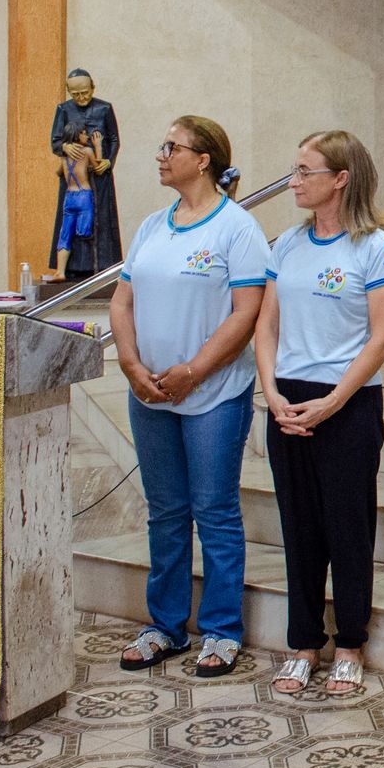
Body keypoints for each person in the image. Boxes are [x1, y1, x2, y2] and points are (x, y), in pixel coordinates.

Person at [111, 116, 267, 679]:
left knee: (215, 511)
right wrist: (130, 364)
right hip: (150, 391)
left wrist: (194, 371)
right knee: (166, 512)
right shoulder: (153, 225)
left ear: (203, 160)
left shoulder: (237, 228)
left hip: (215, 393)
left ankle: (222, 630)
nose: (161, 155)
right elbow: (121, 301)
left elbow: (246, 314)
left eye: (171, 147)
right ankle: (166, 626)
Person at [256, 130, 384, 699]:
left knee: (348, 527)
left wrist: (334, 401)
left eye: (304, 171)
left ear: (340, 179)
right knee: (299, 528)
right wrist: (271, 392)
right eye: (294, 170)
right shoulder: (288, 244)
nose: (293, 181)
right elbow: (266, 325)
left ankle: (349, 645)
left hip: (347, 401)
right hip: (289, 398)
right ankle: (303, 643)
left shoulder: (375, 248)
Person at [47, 68, 122, 280]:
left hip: (100, 176)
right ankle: (72, 267)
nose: (81, 98)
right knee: (71, 224)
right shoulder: (63, 109)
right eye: (76, 94)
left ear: (92, 88)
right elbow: (55, 141)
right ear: (69, 92)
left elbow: (114, 139)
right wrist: (65, 147)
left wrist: (108, 161)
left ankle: (104, 265)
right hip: (74, 181)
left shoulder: (104, 109)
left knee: (101, 220)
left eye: (85, 93)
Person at [47, 120, 102, 284]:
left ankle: (60, 271)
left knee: (65, 235)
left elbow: (58, 172)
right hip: (84, 196)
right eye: (84, 133)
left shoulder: (64, 156)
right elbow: (98, 167)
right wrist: (98, 146)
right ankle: (90, 267)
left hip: (69, 196)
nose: (87, 136)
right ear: (78, 135)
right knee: (85, 233)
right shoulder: (87, 151)